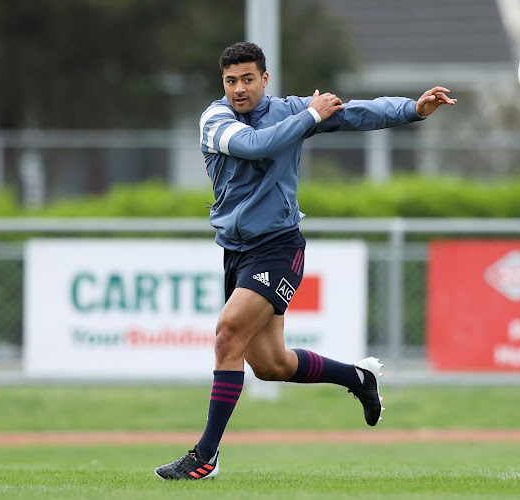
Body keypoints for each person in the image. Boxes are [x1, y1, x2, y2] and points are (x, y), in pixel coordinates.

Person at [154, 41, 456, 480]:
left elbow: (355, 113)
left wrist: (413, 108)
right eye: (230, 80)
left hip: (279, 247)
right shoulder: (214, 120)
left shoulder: (292, 110)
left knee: (226, 334)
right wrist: (310, 116)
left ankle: (205, 456)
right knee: (270, 365)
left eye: (247, 79)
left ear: (265, 79)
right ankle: (358, 379)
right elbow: (255, 146)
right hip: (236, 253)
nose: (238, 88)